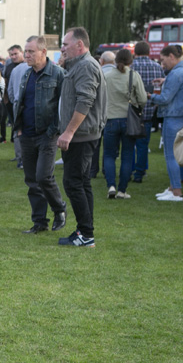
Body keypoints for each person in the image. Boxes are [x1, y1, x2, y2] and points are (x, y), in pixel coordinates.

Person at [56, 27, 107, 247]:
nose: (62, 48)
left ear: (79, 45)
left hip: (81, 136)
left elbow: (85, 101)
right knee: (82, 183)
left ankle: (86, 234)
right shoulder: (79, 65)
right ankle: (85, 231)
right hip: (83, 134)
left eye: (65, 44)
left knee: (73, 183)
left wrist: (69, 132)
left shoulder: (86, 66)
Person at [14, 35, 66, 234]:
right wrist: (18, 128)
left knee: (43, 176)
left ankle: (59, 209)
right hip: (27, 135)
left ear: (43, 52)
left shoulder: (58, 74)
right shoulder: (27, 74)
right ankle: (39, 222)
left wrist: (53, 130)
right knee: (32, 180)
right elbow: (20, 102)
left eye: (31, 51)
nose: (27, 55)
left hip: (47, 134)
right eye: (26, 51)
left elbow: (63, 106)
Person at [147, 45, 183, 201]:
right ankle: (173, 187)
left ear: (171, 56)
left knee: (171, 155)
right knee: (176, 154)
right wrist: (165, 81)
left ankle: (176, 192)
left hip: (172, 118)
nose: (162, 64)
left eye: (163, 60)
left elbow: (165, 99)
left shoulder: (175, 74)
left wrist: (149, 96)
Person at [102, 49, 147, 200]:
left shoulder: (107, 76)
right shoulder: (134, 76)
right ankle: (122, 190)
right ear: (130, 61)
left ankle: (111, 185)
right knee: (127, 155)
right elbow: (142, 99)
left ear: (115, 61)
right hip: (129, 119)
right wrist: (137, 106)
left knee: (109, 154)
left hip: (110, 118)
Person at [131, 41, 164, 183]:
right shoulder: (157, 67)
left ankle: (130, 169)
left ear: (135, 52)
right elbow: (161, 88)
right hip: (150, 109)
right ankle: (140, 172)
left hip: (132, 110)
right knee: (143, 144)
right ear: (149, 52)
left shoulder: (130, 67)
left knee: (130, 144)